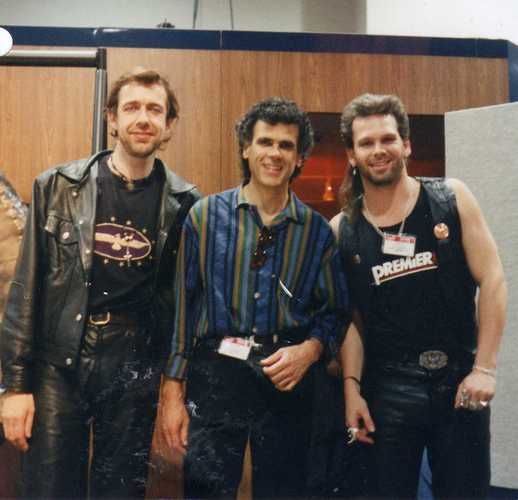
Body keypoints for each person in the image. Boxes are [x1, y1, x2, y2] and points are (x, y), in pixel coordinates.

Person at [0, 68, 200, 498]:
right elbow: (25, 291)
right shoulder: (57, 187)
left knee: (120, 492)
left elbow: (184, 306)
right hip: (59, 363)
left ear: (169, 125)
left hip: (134, 367)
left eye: (154, 110)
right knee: (49, 488)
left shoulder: (187, 204)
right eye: (132, 107)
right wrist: (14, 387)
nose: (142, 118)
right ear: (112, 118)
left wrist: (173, 383)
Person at [157, 97, 348, 498]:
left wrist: (310, 350)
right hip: (216, 370)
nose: (274, 153)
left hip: (287, 372)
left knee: (285, 491)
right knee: (206, 491)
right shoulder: (204, 217)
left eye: (286, 145)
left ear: (299, 158)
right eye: (265, 142)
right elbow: (183, 310)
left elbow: (335, 310)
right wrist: (172, 393)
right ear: (246, 148)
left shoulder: (316, 232)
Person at [330, 93, 507, 499]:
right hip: (386, 390)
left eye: (387, 139)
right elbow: (351, 319)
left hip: (459, 382)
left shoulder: (451, 198)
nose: (379, 150)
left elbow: (493, 279)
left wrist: (485, 368)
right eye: (366, 143)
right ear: (352, 156)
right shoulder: (342, 228)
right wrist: (352, 390)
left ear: (406, 144)